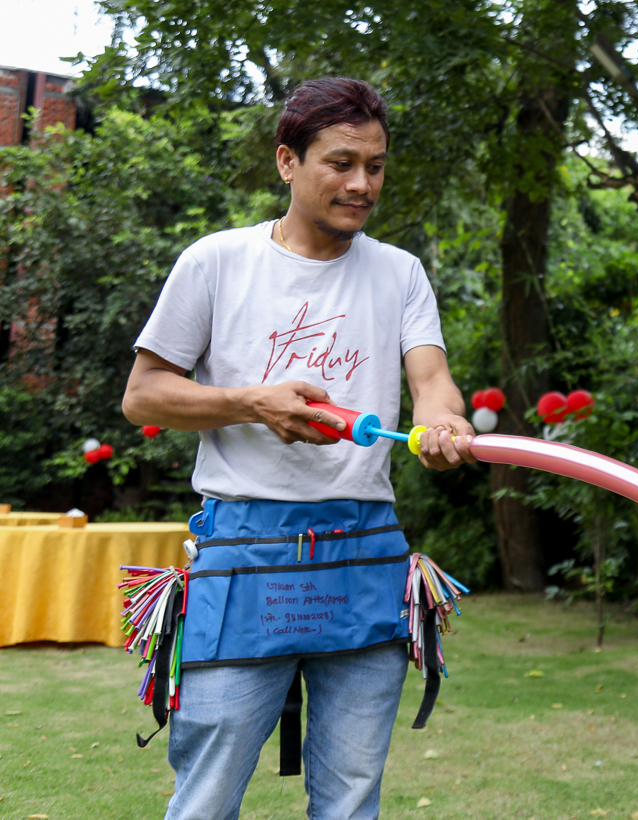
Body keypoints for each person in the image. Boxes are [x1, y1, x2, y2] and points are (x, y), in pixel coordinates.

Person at [122, 77, 476, 820]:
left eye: (375, 166)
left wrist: (447, 425)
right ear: (287, 162)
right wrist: (252, 402)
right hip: (245, 557)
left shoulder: (400, 272)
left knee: (350, 798)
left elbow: (434, 381)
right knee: (208, 796)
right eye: (341, 163)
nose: (362, 183)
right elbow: (144, 394)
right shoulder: (216, 262)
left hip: (366, 556)